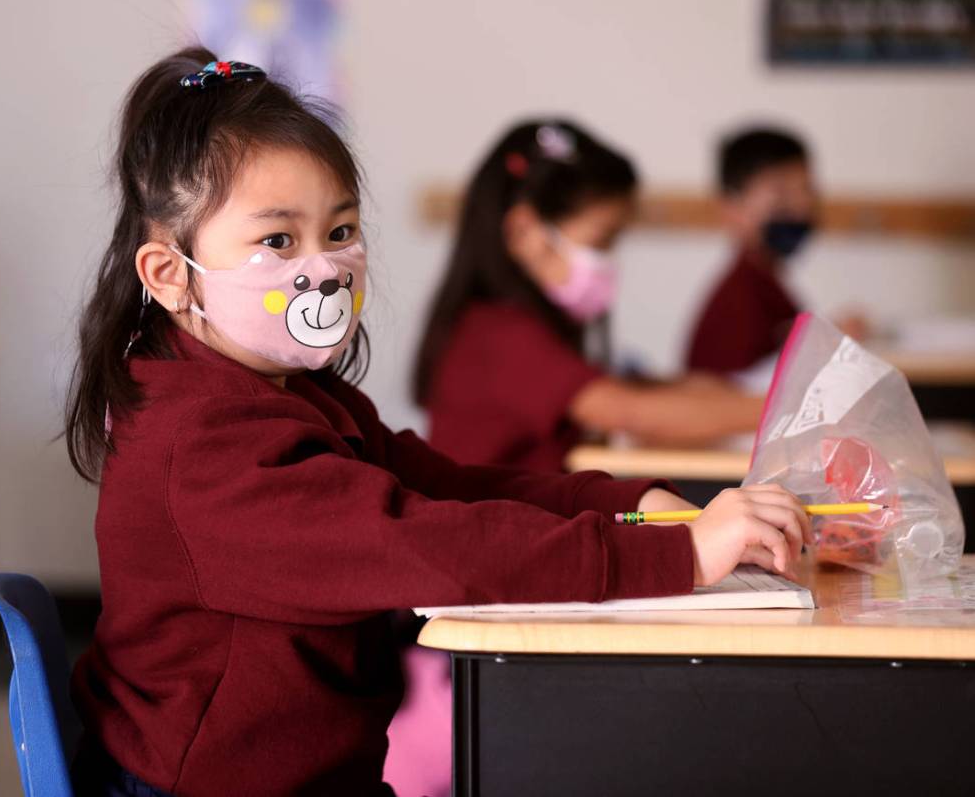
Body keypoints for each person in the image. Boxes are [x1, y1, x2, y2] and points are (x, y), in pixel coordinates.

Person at [64, 50, 808, 797]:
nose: (324, 268)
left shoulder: (295, 393)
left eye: (341, 229)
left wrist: (636, 505)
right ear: (169, 274)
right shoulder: (207, 446)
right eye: (279, 240)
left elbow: (451, 486)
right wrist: (677, 556)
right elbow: (431, 542)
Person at [413, 120, 765, 473]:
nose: (610, 261)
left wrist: (707, 391)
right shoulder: (500, 335)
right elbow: (631, 413)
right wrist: (785, 409)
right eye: (601, 240)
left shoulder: (524, 325)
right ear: (524, 231)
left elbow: (623, 393)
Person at [686, 126, 864, 375]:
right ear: (731, 207)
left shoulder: (765, 284)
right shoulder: (739, 298)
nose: (801, 208)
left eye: (807, 191)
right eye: (782, 195)